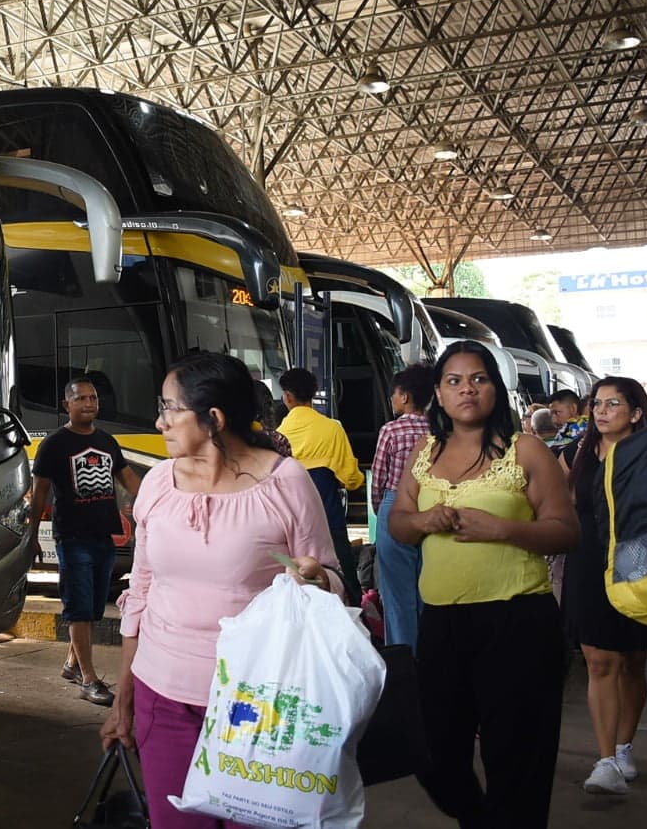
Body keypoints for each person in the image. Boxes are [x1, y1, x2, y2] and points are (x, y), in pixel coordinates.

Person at [100, 351, 344, 829]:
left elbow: (333, 580)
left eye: (170, 408)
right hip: (163, 696)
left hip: (258, 703)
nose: (159, 421)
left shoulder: (284, 482)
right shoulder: (156, 486)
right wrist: (123, 697)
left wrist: (318, 580)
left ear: (213, 418)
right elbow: (141, 592)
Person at [388, 340, 579, 829]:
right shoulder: (423, 452)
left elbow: (567, 530)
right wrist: (424, 519)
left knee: (517, 759)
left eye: (479, 379)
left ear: (496, 387)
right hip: (443, 623)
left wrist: (504, 529)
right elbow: (399, 525)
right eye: (454, 381)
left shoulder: (525, 450)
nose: (466, 390)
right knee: (433, 751)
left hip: (517, 621)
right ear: (438, 393)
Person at [562, 376, 647, 796]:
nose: (601, 412)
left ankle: (625, 747)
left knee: (632, 661)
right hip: (588, 563)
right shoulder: (576, 454)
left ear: (636, 413)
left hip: (635, 561)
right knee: (599, 660)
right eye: (597, 404)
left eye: (613, 404)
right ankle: (605, 760)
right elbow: (555, 503)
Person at [30, 376, 142, 706]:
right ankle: (88, 679)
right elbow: (39, 494)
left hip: (103, 535)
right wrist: (32, 533)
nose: (89, 403)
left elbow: (129, 478)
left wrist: (164, 497)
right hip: (72, 536)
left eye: (93, 398)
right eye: (81, 399)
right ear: (67, 405)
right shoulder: (54, 445)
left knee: (92, 607)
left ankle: (71, 664)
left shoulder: (107, 442)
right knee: (79, 607)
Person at [277, 366, 364, 603]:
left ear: (287, 396)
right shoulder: (332, 429)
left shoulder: (278, 435)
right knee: (345, 586)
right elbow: (352, 478)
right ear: (313, 394)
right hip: (330, 523)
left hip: (290, 529)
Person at [371, 363, 435, 648]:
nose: (393, 399)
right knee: (428, 588)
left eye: (394, 394)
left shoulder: (391, 430)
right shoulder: (439, 431)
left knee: (397, 593)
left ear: (405, 396)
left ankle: (403, 660)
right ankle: (429, 655)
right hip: (432, 508)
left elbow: (379, 477)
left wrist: (380, 508)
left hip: (394, 506)